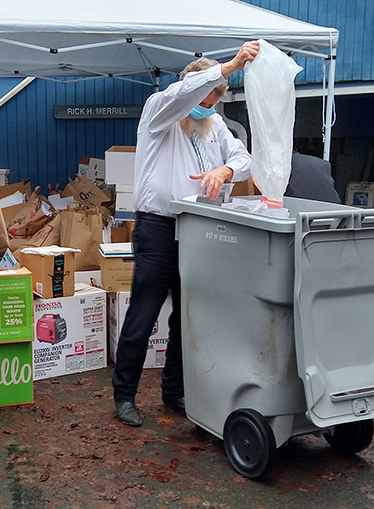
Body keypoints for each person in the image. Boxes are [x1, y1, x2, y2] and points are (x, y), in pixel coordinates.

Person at [112, 41, 260, 427]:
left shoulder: (215, 127)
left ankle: (173, 389)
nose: (208, 105)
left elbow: (243, 159)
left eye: (215, 100)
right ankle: (124, 394)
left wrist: (225, 172)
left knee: (188, 316)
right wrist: (227, 68)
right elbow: (181, 95)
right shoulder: (158, 113)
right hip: (159, 227)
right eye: (206, 96)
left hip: (198, 229)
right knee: (143, 314)